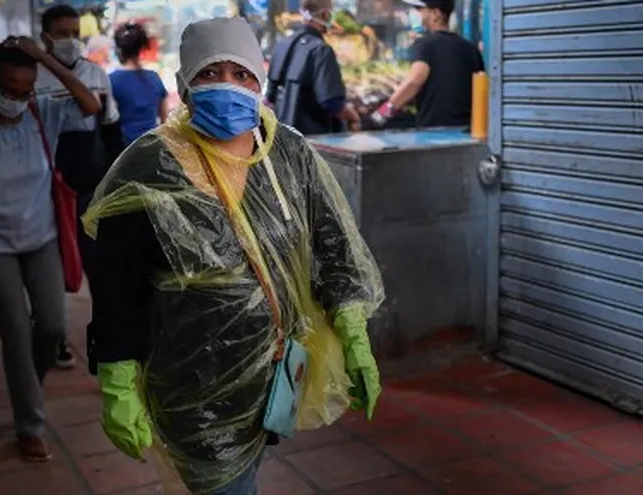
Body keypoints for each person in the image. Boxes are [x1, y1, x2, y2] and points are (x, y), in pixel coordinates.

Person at [84, 17, 383, 494]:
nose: (227, 86)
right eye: (209, 73)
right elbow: (117, 286)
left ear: (260, 80)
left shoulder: (287, 153)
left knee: (247, 475)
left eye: (241, 74)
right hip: (190, 381)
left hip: (274, 375)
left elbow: (334, 250)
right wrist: (117, 380)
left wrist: (354, 337)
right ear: (183, 85)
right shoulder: (150, 166)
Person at [0, 38, 101, 462]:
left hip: (41, 238)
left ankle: (26, 382)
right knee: (15, 329)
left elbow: (91, 105)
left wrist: (44, 58)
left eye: (25, 90)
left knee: (51, 326)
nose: (16, 98)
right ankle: (29, 422)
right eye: (9, 89)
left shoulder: (42, 114)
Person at [34, 4, 124, 371]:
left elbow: (111, 131)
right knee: (52, 270)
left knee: (99, 271)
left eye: (75, 33)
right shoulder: (35, 77)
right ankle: (53, 338)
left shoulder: (97, 74)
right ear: (45, 38)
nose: (70, 40)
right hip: (47, 191)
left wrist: (117, 182)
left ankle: (104, 343)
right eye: (61, 33)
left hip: (91, 187)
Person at [371, 0, 484, 128]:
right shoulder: (470, 48)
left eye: (419, 9)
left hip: (434, 134)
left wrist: (380, 115)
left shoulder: (425, 45)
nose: (415, 14)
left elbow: (413, 82)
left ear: (436, 14)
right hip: (467, 130)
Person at [266, 0, 360, 135]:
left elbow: (270, 97)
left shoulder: (281, 45)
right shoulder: (320, 50)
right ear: (325, 15)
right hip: (313, 140)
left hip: (283, 139)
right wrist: (352, 116)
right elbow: (331, 101)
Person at [110, 22, 169, 146]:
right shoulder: (154, 77)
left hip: (123, 151)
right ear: (140, 49)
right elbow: (165, 120)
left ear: (118, 50)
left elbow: (109, 119)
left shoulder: (112, 80)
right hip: (151, 145)